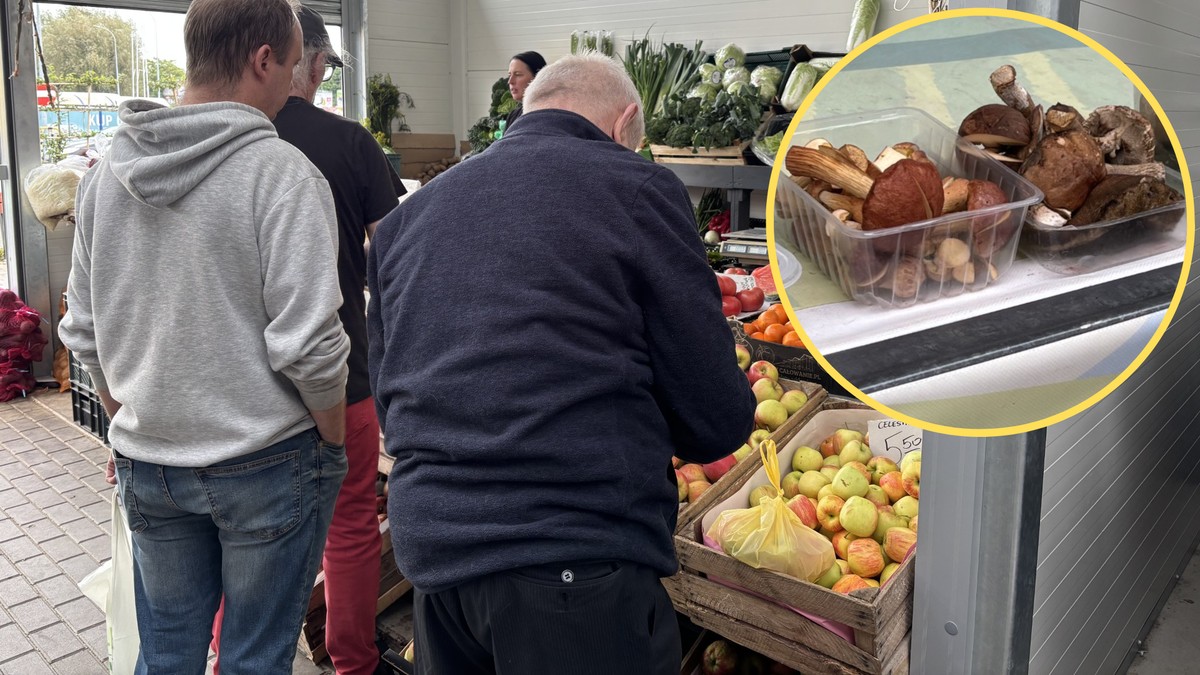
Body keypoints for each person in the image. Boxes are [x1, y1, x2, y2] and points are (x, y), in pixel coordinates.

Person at [366, 53, 756, 675]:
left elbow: (393, 402)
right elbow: (714, 416)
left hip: (438, 566)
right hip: (573, 566)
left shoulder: (406, 222)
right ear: (627, 121)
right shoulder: (637, 188)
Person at [58, 0, 350, 673]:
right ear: (263, 60)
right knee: (254, 656)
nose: (296, 87)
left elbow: (84, 328)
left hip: (150, 462)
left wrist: (127, 416)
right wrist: (332, 439)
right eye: (295, 68)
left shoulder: (106, 177)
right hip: (267, 459)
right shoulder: (280, 174)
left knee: (165, 653)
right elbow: (311, 345)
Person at [208, 7, 401, 675]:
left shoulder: (213, 145)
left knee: (236, 536)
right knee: (348, 527)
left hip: (238, 387)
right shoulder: (351, 145)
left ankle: (225, 654)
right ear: (305, 63)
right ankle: (353, 662)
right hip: (341, 373)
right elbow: (397, 257)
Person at [503, 50, 546, 131]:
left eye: (518, 74)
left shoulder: (548, 115)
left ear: (537, 77)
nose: (510, 81)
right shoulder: (513, 115)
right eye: (509, 75)